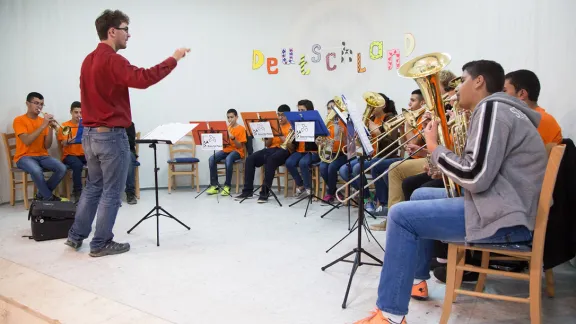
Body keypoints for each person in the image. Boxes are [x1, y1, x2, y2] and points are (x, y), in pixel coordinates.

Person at [353, 60, 547, 324]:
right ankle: (416, 281)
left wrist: (434, 147)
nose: (456, 91)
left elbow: (474, 176)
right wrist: (442, 160)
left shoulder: (492, 108)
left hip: (503, 216)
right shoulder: (503, 109)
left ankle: (389, 316)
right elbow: (480, 167)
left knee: (399, 215)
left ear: (478, 81)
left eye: (462, 81)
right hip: (503, 206)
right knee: (419, 195)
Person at [66, 9, 190, 257]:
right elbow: (143, 78)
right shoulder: (113, 60)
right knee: (112, 192)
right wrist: (173, 59)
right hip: (110, 137)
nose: (129, 35)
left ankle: (75, 236)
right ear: (112, 31)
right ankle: (100, 243)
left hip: (90, 135)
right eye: (125, 29)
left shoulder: (88, 60)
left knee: (92, 187)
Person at [339, 93, 400, 211]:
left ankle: (376, 201)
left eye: (374, 105)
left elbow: (392, 144)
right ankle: (367, 197)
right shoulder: (371, 119)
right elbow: (365, 142)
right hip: (369, 155)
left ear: (383, 106)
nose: (370, 107)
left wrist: (378, 133)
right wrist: (358, 138)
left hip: (385, 155)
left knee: (357, 168)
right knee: (344, 170)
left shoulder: (390, 118)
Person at [13, 92, 68, 201]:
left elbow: (47, 145)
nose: (39, 106)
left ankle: (41, 195)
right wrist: (44, 125)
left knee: (62, 168)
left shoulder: (43, 122)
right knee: (36, 170)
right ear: (28, 104)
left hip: (42, 155)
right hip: (24, 157)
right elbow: (27, 141)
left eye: (41, 104)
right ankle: (49, 197)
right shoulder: (19, 120)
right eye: (36, 103)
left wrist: (51, 128)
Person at [235, 104, 293, 203]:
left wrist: (278, 133)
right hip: (270, 149)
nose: (280, 117)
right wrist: (270, 134)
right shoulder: (273, 125)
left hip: (284, 151)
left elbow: (291, 146)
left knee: (271, 160)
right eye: (278, 115)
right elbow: (267, 144)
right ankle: (248, 191)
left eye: (282, 115)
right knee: (250, 159)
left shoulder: (291, 126)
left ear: (288, 115)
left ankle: (265, 192)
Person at [503, 69, 562, 144]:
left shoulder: (538, 120)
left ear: (522, 94)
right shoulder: (541, 118)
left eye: (504, 91)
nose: (499, 95)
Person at [206, 109, 247, 196]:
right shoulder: (226, 128)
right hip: (226, 150)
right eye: (228, 117)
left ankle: (227, 186)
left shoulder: (241, 129)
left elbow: (239, 146)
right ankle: (214, 186)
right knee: (211, 159)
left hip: (237, 151)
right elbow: (222, 144)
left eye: (232, 117)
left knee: (229, 159)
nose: (230, 119)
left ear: (236, 117)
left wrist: (232, 138)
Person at [285, 99, 320, 198]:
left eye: (302, 110)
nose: (300, 113)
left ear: (309, 111)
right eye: (299, 110)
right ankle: (301, 185)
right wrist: (290, 137)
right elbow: (292, 147)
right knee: (289, 162)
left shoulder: (315, 124)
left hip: (312, 152)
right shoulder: (296, 123)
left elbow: (318, 142)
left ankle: (308, 188)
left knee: (303, 163)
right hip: (299, 151)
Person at [319, 106, 348, 204]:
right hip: (330, 153)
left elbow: (351, 146)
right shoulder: (327, 124)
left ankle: (330, 193)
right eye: (328, 108)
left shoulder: (345, 123)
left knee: (332, 167)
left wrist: (343, 136)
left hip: (343, 154)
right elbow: (324, 142)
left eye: (333, 108)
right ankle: (335, 192)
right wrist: (320, 143)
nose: (330, 110)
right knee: (322, 167)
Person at [58, 101, 85, 202]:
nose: (79, 115)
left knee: (97, 162)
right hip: (69, 155)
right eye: (76, 112)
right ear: (71, 112)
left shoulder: (86, 126)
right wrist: (77, 136)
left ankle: (94, 191)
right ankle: (77, 192)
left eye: (81, 113)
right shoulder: (65, 126)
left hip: (84, 154)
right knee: (77, 165)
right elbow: (64, 143)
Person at [124, 122, 138, 204]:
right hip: (113, 152)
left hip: (128, 150)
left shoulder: (129, 124)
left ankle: (130, 193)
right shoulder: (109, 124)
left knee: (128, 158)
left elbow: (132, 142)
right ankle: (110, 194)